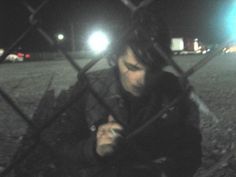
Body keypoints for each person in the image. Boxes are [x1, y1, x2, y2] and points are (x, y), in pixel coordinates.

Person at [13, 6, 202, 177]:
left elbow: (191, 153)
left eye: (153, 69)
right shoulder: (89, 88)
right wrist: (94, 149)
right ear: (114, 57)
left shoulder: (176, 92)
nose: (142, 80)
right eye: (132, 67)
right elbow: (61, 148)